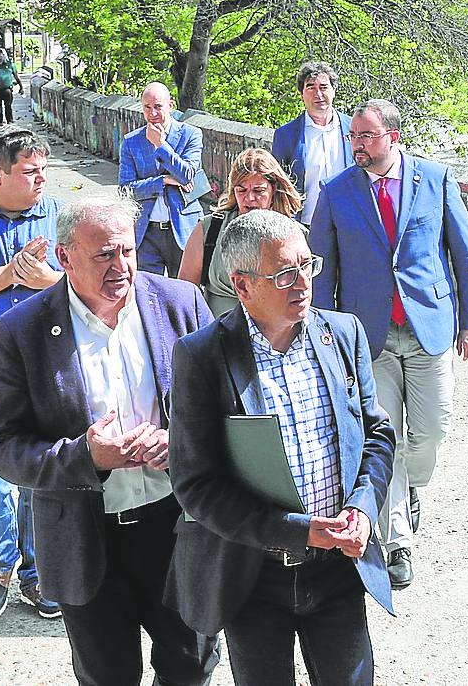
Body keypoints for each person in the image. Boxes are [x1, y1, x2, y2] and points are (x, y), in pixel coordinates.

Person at [0, 197, 221, 686]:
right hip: (85, 540)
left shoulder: (181, 304)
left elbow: (226, 411)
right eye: (104, 255)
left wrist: (178, 441)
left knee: (191, 668)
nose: (122, 267)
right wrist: (84, 456)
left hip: (176, 528)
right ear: (65, 259)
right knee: (107, 676)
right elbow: (2, 447)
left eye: (127, 251)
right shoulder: (21, 330)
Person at [167, 210, 396, 686]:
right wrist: (297, 530)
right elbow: (196, 484)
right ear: (243, 285)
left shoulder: (342, 334)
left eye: (307, 266)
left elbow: (377, 434)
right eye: (285, 274)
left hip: (339, 569)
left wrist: (362, 509)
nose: (303, 283)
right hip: (254, 576)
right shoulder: (203, 356)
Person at [310, 98, 468, 590]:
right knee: (382, 437)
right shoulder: (336, 191)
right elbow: (323, 270)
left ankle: (411, 488)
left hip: (429, 328)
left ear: (393, 137)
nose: (358, 145)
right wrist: (324, 332)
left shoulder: (435, 178)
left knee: (429, 435)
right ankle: (396, 541)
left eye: (367, 136)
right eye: (353, 137)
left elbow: (464, 253)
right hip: (369, 338)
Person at [0, 125, 63, 621]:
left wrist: (50, 281)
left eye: (44, 170)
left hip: (45, 380)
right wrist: (8, 275)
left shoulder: (57, 214)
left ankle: (37, 572)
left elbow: (95, 283)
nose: (42, 179)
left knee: (41, 483)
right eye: (31, 172)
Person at [177, 147, 303, 315]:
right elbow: (183, 294)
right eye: (241, 190)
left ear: (274, 189)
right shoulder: (208, 229)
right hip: (217, 335)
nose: (249, 198)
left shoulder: (293, 235)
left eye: (258, 191)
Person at [118, 82, 203, 276]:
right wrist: (163, 181)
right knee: (147, 292)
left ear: (170, 106)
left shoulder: (191, 135)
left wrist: (161, 145)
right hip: (146, 231)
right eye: (147, 108)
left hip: (182, 228)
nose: (153, 113)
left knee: (184, 290)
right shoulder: (132, 141)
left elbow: (187, 174)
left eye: (158, 106)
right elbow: (125, 190)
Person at [271, 61, 352, 225]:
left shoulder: (354, 129)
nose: (318, 94)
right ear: (301, 94)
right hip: (306, 224)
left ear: (334, 91)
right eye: (311, 88)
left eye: (323, 87)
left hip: (348, 222)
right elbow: (278, 185)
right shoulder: (286, 136)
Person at [0, 49, 19, 125]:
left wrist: (21, 86)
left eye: (0, 53)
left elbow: (16, 76)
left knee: (8, 106)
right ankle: (0, 122)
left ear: (3, 55)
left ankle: (9, 121)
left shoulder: (10, 64)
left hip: (7, 89)